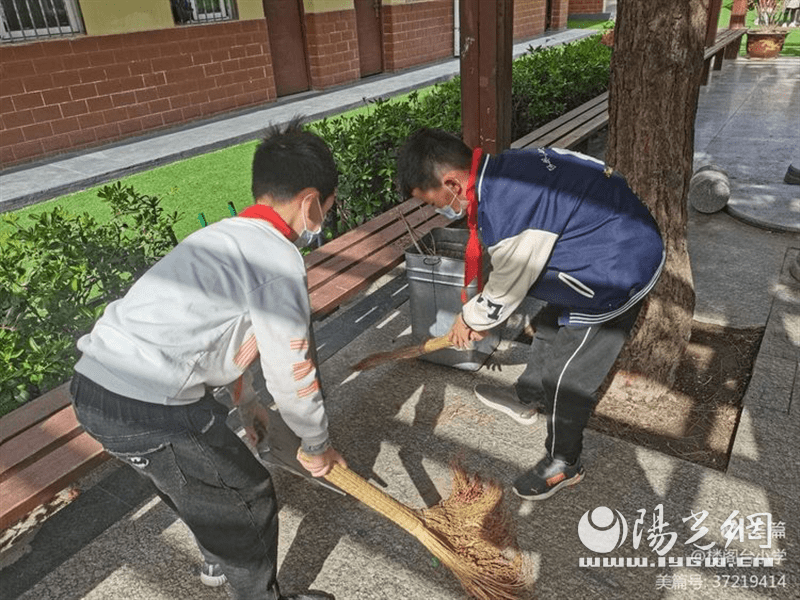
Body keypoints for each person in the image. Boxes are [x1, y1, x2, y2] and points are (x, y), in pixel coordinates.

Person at [69, 118, 346, 600]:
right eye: (328, 206)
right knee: (249, 496)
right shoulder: (278, 260)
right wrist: (316, 442)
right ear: (309, 202)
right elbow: (293, 370)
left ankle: (219, 559)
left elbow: (219, 332)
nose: (325, 217)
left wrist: (248, 402)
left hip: (94, 390)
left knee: (184, 479)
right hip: (149, 407)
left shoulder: (223, 236)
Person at [396, 128, 664, 501]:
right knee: (550, 326)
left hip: (617, 271)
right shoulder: (508, 167)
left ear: (452, 183)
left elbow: (506, 288)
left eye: (431, 201)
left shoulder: (509, 212)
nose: (436, 209)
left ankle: (564, 462)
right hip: (606, 236)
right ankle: (529, 397)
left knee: (567, 377)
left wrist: (470, 321)